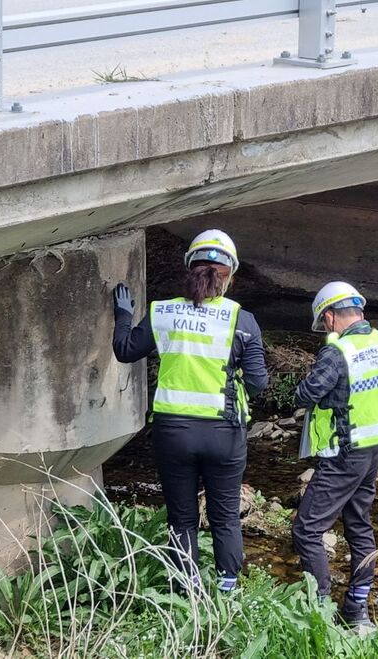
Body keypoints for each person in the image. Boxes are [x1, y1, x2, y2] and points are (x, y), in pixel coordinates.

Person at [111, 229, 268, 593]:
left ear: (188, 268)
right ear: (229, 274)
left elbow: (124, 349)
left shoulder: (163, 312)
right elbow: (259, 383)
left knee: (182, 517)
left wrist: (123, 313)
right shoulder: (241, 321)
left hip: (173, 434)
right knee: (225, 516)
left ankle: (186, 589)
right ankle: (227, 590)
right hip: (224, 434)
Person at [292, 281, 378, 629]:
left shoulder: (337, 352)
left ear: (331, 316)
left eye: (324, 323)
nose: (325, 329)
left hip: (344, 453)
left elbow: (307, 393)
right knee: (359, 527)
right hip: (372, 451)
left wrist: (329, 350)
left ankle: (319, 608)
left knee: (307, 530)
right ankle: (356, 609)